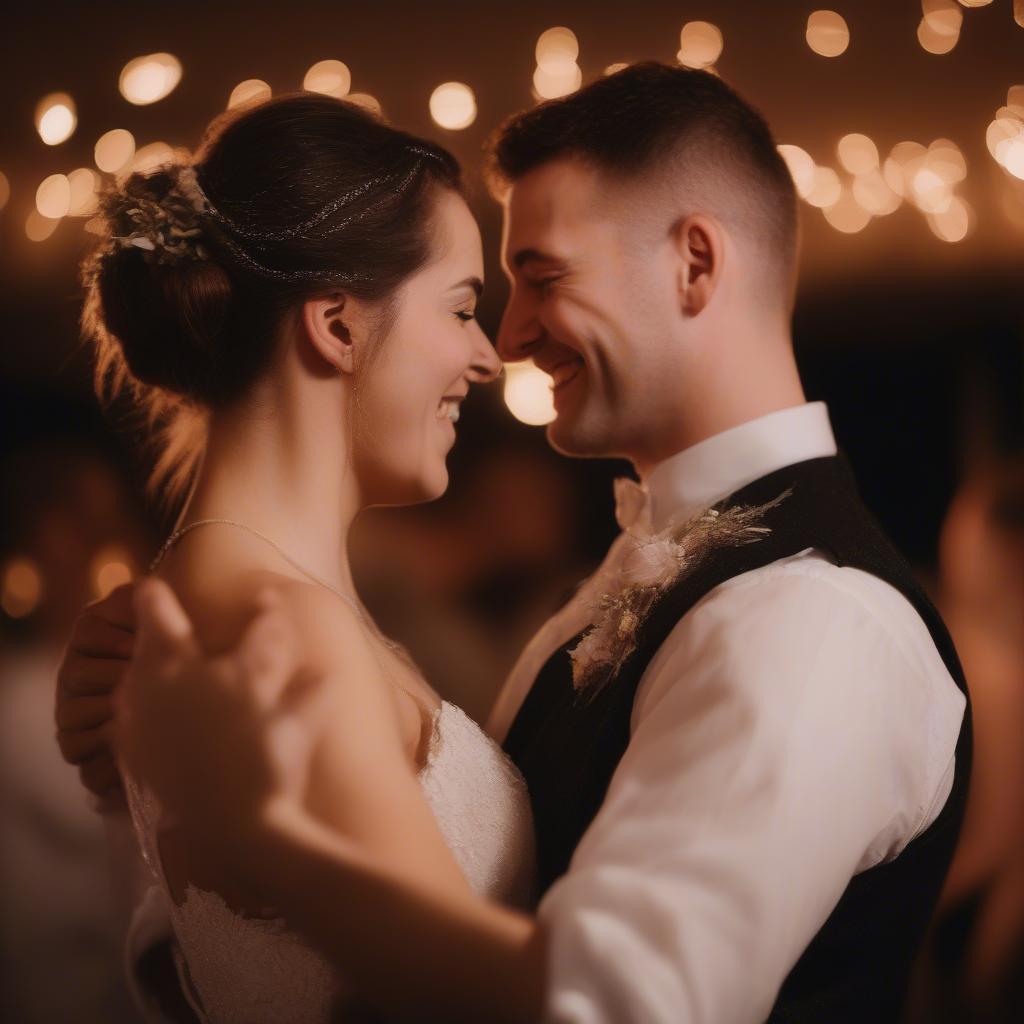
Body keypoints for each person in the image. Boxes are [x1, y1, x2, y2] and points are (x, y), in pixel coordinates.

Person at [59, 63, 971, 1022]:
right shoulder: (621, 583)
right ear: (333, 327)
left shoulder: (811, 612)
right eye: (470, 303)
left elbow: (617, 1005)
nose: (509, 339)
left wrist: (264, 844)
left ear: (695, 265)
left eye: (541, 278)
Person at [64, 91, 537, 1023]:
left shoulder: (210, 604)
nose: (486, 357)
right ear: (337, 326)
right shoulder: (290, 631)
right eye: (461, 309)